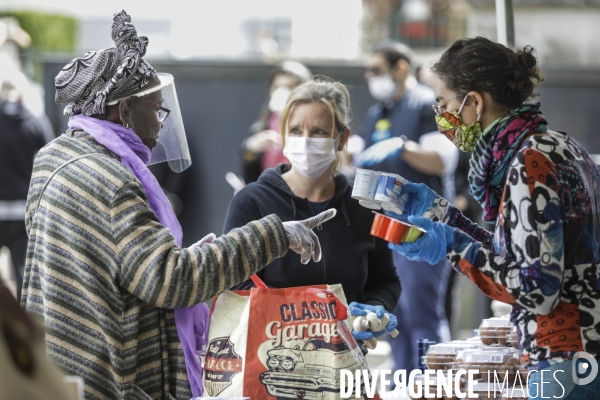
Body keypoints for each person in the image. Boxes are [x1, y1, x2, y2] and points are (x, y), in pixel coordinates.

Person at [21, 11, 335, 400]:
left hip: (61, 372)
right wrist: (274, 234)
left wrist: (182, 255)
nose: (159, 126)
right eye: (156, 110)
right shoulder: (112, 181)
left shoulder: (56, 157)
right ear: (124, 111)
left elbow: (125, 264)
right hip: (110, 384)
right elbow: (172, 281)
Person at [389, 37, 600, 398]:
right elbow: (524, 252)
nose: (441, 117)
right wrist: (443, 216)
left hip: (564, 356)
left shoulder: (527, 165)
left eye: (443, 103)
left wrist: (455, 248)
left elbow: (538, 290)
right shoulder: (559, 146)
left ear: (474, 102)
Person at [224, 76, 401, 346]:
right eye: (295, 130)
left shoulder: (364, 207)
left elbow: (386, 281)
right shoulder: (253, 202)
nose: (305, 141)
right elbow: (233, 282)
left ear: (342, 139)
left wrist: (372, 311)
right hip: (271, 362)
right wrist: (293, 320)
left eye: (318, 131)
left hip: (346, 366)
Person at [356, 40, 457, 372]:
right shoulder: (377, 113)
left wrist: (401, 148)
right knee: (395, 317)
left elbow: (442, 160)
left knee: (423, 313)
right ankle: (403, 384)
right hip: (386, 227)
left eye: (377, 69)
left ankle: (437, 385)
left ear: (401, 67)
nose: (371, 77)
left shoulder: (427, 104)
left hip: (422, 227)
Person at [0, 68, 53, 301]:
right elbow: (53, 158)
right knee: (23, 273)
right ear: (22, 94)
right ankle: (24, 330)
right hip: (23, 210)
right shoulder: (35, 122)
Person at [240, 60, 312, 184]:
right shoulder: (264, 126)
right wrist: (250, 151)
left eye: (290, 87)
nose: (282, 92)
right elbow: (249, 178)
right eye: (277, 87)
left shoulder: (314, 128)